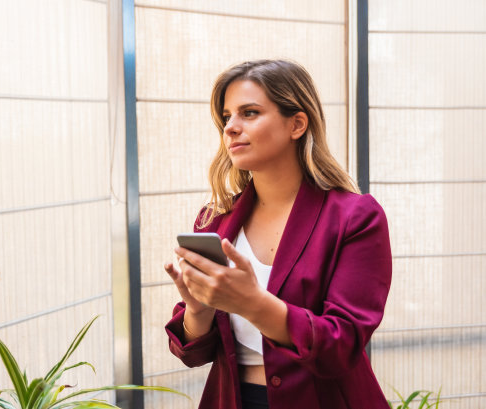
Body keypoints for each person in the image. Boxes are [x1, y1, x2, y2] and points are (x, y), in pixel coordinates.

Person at [164, 59, 392, 409]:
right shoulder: (215, 220)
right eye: (227, 117)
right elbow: (193, 353)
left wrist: (252, 304)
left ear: (297, 124)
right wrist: (198, 310)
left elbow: (342, 344)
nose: (231, 128)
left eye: (249, 113)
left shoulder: (356, 218)